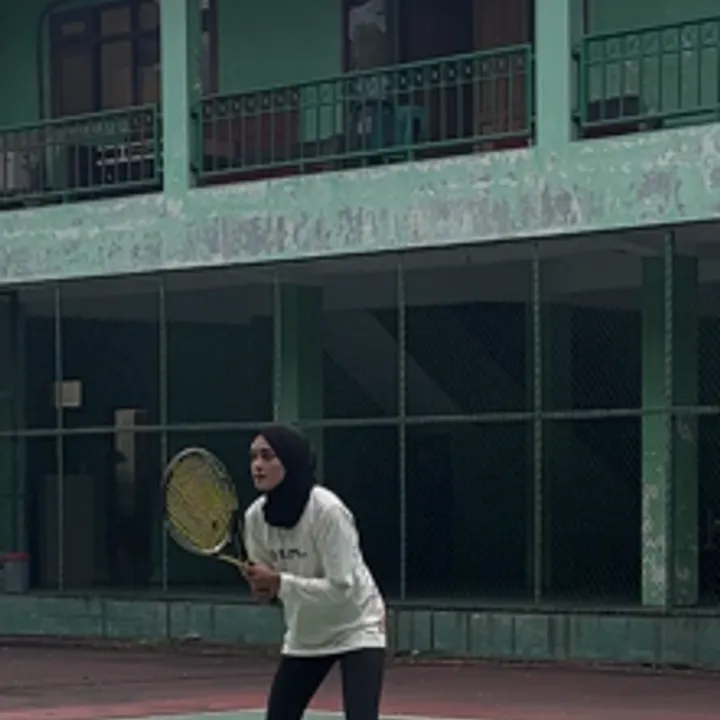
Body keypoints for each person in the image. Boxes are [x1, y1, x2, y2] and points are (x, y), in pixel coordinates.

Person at [242, 424, 386, 720]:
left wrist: (280, 582)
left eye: (268, 456)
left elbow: (341, 588)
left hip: (356, 626)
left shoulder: (328, 511)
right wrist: (263, 589)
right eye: (254, 457)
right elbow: (270, 590)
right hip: (305, 634)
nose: (258, 465)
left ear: (290, 460)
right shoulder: (254, 518)